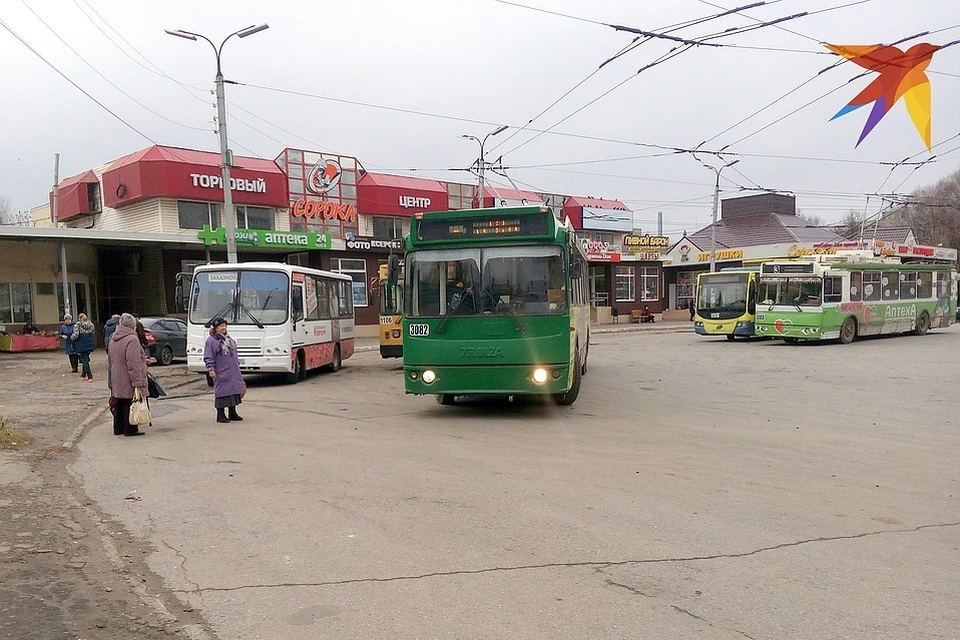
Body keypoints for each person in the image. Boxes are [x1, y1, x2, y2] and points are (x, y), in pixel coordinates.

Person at [107, 313, 148, 436]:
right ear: (132, 326)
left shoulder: (113, 338)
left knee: (119, 401)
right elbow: (133, 362)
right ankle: (130, 428)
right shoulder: (132, 339)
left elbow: (110, 359)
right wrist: (138, 382)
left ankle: (118, 428)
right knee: (130, 402)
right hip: (128, 376)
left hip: (116, 375)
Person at [203, 317, 245, 423]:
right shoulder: (211, 340)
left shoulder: (227, 338)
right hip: (221, 370)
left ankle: (232, 412)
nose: (224, 328)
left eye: (225, 325)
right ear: (215, 328)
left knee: (234, 390)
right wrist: (211, 368)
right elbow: (208, 356)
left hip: (232, 370)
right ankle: (220, 415)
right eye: (221, 326)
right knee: (222, 392)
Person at [71, 313, 96, 381]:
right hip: (89, 343)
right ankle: (83, 374)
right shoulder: (91, 324)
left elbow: (75, 335)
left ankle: (89, 375)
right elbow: (93, 333)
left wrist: (71, 338)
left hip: (81, 344)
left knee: (84, 360)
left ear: (79, 318)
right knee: (86, 358)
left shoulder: (78, 325)